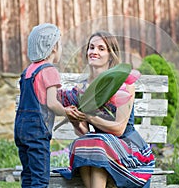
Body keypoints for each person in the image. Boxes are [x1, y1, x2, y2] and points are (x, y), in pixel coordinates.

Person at [55, 31, 155, 188]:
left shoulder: (123, 81)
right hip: (100, 148)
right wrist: (76, 120)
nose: (94, 52)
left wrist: (89, 118)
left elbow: (120, 129)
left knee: (98, 144)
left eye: (101, 49)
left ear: (111, 54)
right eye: (91, 47)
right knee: (83, 143)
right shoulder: (82, 87)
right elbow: (84, 132)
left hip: (128, 147)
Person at [14, 23, 83, 188]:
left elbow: (38, 97)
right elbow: (51, 103)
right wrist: (66, 111)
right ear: (53, 47)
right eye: (60, 45)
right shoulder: (50, 70)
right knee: (40, 178)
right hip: (37, 131)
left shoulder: (28, 71)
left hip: (21, 129)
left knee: (28, 175)